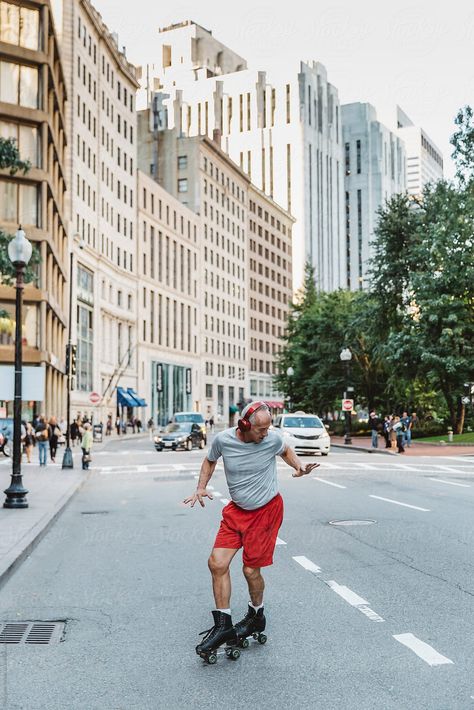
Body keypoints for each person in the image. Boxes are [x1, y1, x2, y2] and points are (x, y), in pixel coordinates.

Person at [184, 401, 320, 660]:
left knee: (250, 569)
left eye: (268, 428)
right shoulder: (223, 440)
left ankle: (256, 614)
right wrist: (201, 486)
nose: (265, 434)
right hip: (237, 511)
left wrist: (299, 467)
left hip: (266, 511)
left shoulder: (271, 439)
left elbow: (286, 450)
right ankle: (223, 624)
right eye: (261, 430)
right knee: (216, 563)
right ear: (245, 426)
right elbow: (209, 461)